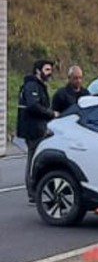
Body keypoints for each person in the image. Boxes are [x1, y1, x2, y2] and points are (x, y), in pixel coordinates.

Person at [17, 60, 57, 201]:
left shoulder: (39, 86)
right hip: (33, 129)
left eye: (50, 69)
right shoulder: (32, 86)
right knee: (33, 159)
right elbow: (33, 106)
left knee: (37, 159)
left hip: (39, 128)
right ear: (38, 71)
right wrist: (51, 114)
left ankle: (36, 190)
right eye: (46, 69)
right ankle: (32, 191)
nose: (49, 72)